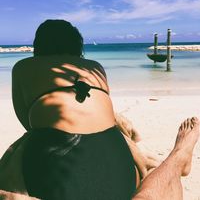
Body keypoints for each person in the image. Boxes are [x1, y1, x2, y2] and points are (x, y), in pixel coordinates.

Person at [0, 19, 199, 200]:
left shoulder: (24, 67)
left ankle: (178, 157)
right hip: (112, 144)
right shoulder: (94, 67)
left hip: (55, 149)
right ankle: (177, 158)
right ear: (76, 45)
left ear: (39, 45)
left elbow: (28, 122)